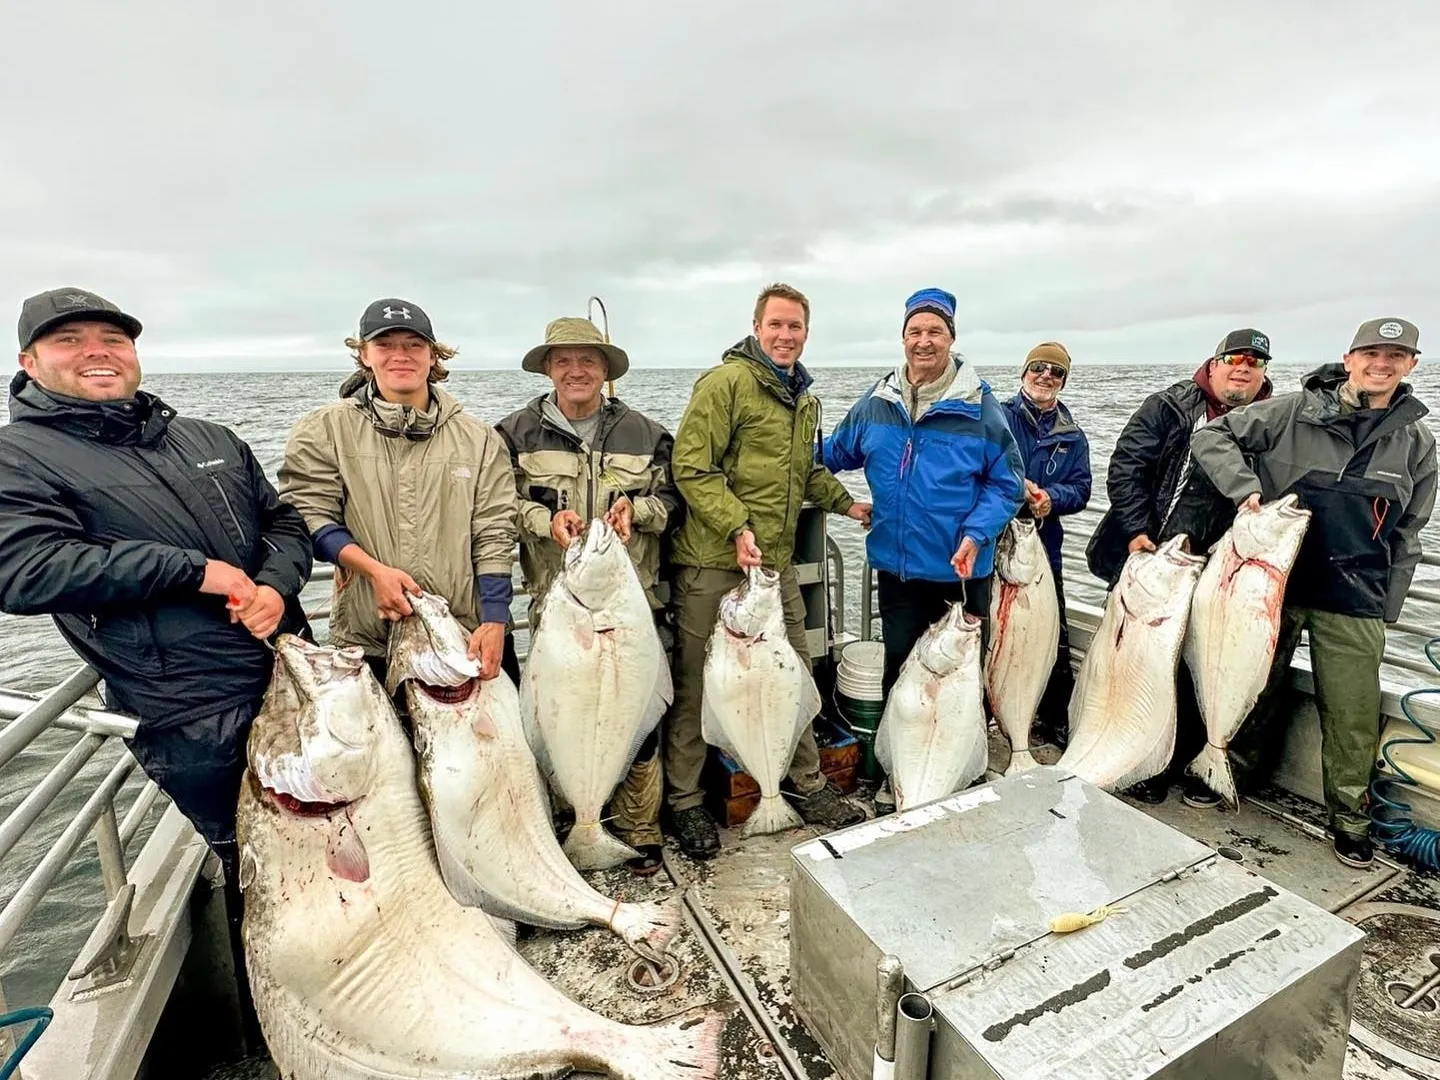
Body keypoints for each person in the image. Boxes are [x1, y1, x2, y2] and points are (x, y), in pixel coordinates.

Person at [0, 288, 313, 882]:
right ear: (29, 362)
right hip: (193, 715)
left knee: (348, 839)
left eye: (113, 339)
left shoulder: (208, 437)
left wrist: (273, 585)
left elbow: (284, 522)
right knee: (270, 872)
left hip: (295, 676)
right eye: (69, 340)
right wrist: (194, 570)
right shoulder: (17, 456)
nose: (97, 352)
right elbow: (24, 570)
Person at [1188, 318, 1435, 869]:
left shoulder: (1417, 442)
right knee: (1254, 685)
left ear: (1411, 366)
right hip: (1271, 582)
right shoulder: (1290, 411)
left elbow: (1409, 531)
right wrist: (1245, 490)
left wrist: (1387, 607)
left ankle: (1350, 820)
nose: (1382, 363)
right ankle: (1225, 770)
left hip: (1355, 595)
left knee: (1352, 714)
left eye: (1396, 356)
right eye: (1371, 352)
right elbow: (1211, 436)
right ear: (1349, 359)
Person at [665, 282, 872, 858]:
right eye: (776, 325)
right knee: (696, 685)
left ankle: (805, 782)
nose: (786, 336)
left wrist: (847, 503)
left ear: (807, 333)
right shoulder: (724, 384)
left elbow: (804, 474)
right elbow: (692, 466)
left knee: (795, 680)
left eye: (796, 327)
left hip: (774, 565)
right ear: (757, 328)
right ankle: (683, 802)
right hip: (713, 562)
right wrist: (736, 527)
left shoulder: (803, 399)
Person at [495, 315, 683, 875]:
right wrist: (543, 519)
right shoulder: (511, 434)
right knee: (561, 718)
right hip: (558, 606)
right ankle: (570, 826)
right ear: (549, 368)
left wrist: (638, 512)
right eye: (564, 361)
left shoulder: (648, 434)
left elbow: (674, 502)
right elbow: (498, 503)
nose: (576, 371)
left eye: (589, 361)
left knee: (638, 723)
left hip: (634, 605)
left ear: (605, 370)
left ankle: (639, 829)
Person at [278, 298, 518, 689]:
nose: (400, 356)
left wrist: (495, 618)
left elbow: (494, 532)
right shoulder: (324, 429)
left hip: (470, 637)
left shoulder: (479, 439)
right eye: (385, 344)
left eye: (413, 344)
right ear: (364, 354)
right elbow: (309, 514)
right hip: (371, 640)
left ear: (433, 354)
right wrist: (373, 571)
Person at [1085, 328, 1274, 805]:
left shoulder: (1270, 422)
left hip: (1211, 569)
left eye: (1254, 363)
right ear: (1212, 364)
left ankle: (1170, 762)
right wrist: (1136, 531)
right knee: (1127, 663)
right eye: (1234, 358)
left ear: (1263, 374)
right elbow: (1126, 467)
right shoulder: (1168, 406)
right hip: (1148, 559)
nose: (1242, 368)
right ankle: (1112, 747)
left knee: (1193, 669)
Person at [823, 287, 1024, 696]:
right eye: (915, 331)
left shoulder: (980, 408)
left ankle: (967, 758)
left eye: (935, 331)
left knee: (957, 686)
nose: (924, 341)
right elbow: (833, 452)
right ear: (903, 339)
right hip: (898, 571)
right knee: (900, 680)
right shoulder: (877, 403)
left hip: (960, 573)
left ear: (951, 339)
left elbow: (1008, 483)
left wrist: (976, 535)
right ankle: (899, 760)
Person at [998, 342, 1092, 744]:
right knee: (992, 632)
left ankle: (1055, 720)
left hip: (1042, 546)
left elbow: (1082, 488)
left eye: (1056, 372)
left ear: (1064, 382)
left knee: (1053, 634)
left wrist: (1052, 498)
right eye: (1038, 367)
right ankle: (992, 709)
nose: (1045, 377)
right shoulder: (997, 418)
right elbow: (975, 462)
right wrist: (1015, 488)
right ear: (1023, 372)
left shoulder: (1073, 437)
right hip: (994, 539)